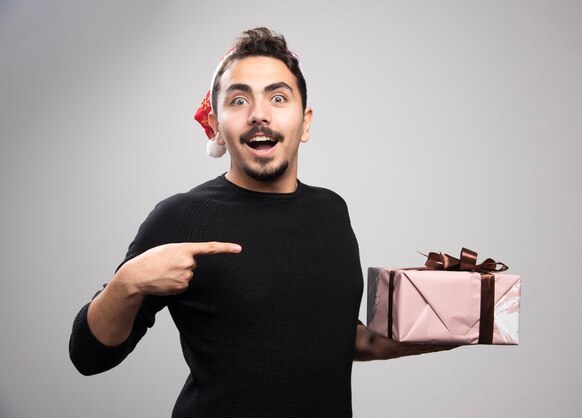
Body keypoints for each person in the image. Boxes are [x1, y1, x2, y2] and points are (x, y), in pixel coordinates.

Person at [69, 27, 453, 418]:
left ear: (305, 122)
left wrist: (455, 322)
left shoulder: (332, 212)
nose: (259, 114)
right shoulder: (181, 217)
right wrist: (127, 283)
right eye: (238, 100)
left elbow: (341, 340)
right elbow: (88, 356)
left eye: (278, 97)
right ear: (216, 125)